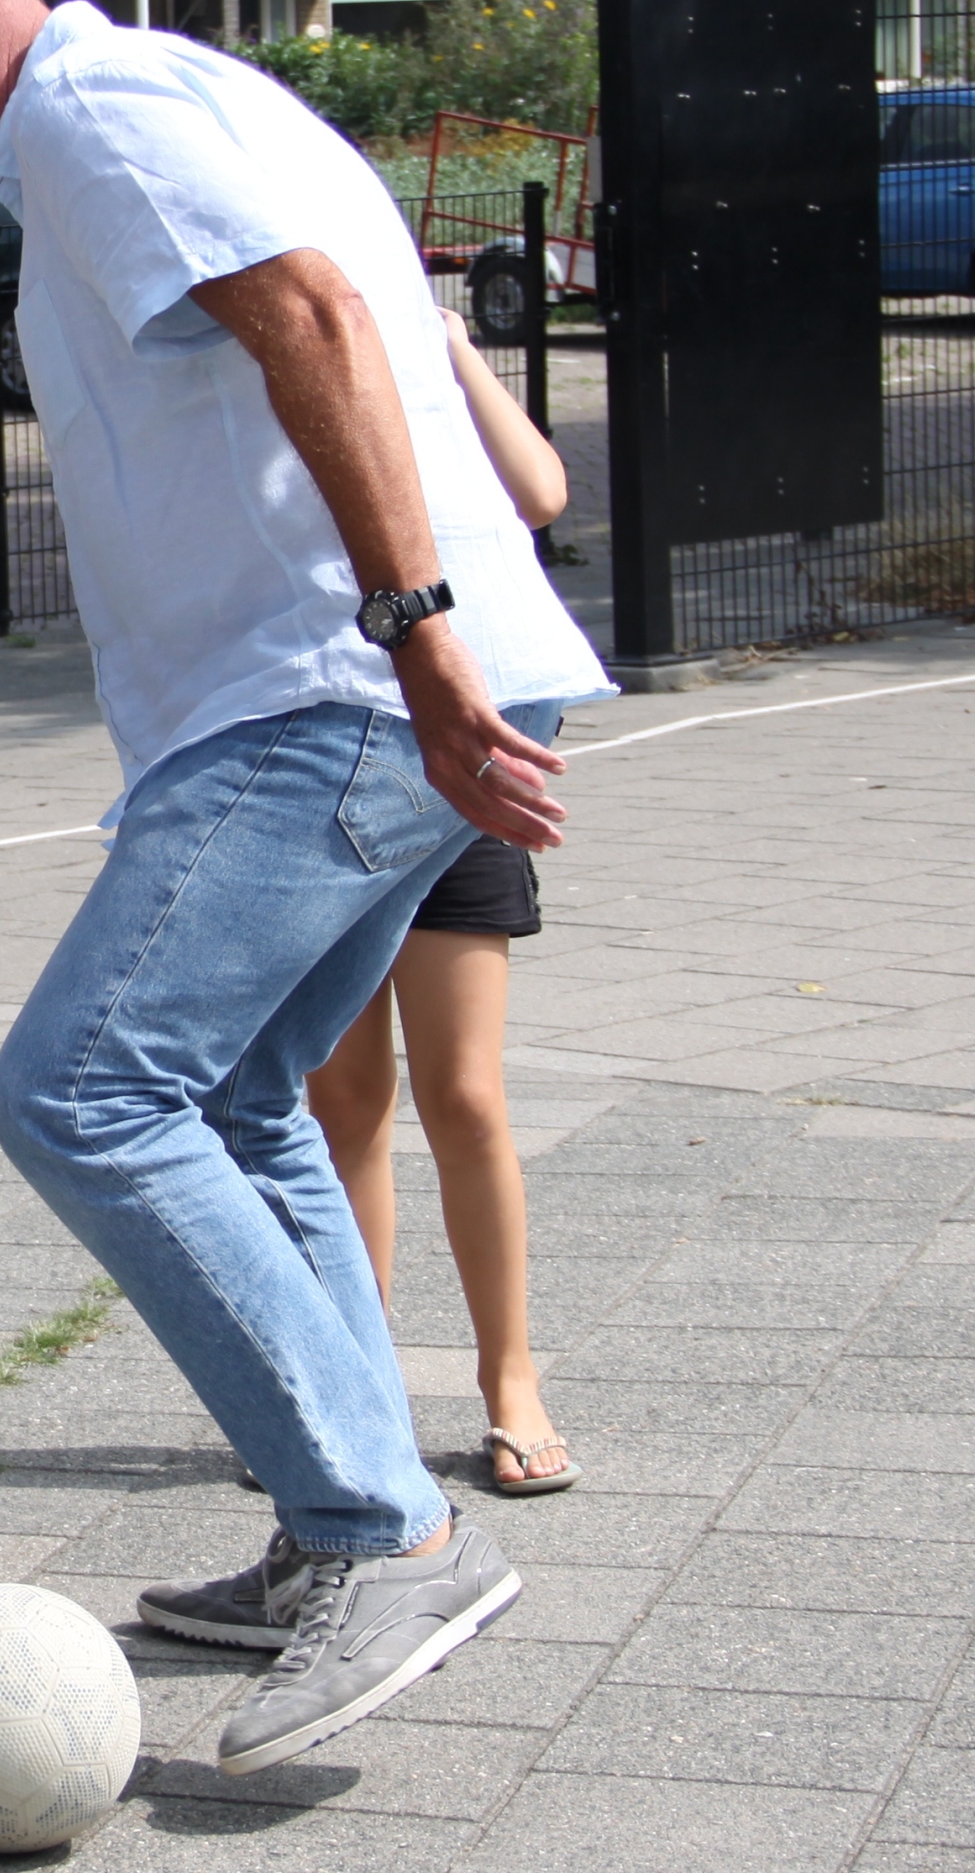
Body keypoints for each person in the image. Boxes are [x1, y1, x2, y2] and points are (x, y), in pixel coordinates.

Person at [0, 0, 612, 1776]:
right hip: (343, 686)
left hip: (327, 690)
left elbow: (310, 310)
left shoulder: (86, 117)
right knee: (234, 1098)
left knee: (81, 1091)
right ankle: (349, 1517)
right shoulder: (159, 103)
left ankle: (380, 1532)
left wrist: (415, 639)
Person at [307, 307, 579, 1498]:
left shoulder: (425, 357)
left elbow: (540, 492)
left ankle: (511, 1378)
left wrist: (450, 344)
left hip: (462, 758)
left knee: (463, 1091)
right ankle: (356, 1387)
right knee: (343, 1094)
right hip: (325, 763)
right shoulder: (297, 366)